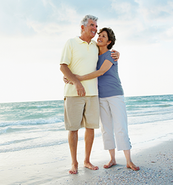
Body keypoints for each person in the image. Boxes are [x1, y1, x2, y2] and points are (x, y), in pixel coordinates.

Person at [60, 15, 120, 174]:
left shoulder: (95, 45)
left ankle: (86, 160)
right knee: (73, 128)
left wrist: (117, 54)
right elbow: (63, 66)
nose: (95, 28)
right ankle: (74, 163)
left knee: (90, 127)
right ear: (83, 27)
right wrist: (76, 82)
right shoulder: (71, 43)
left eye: (96, 26)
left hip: (93, 93)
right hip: (73, 93)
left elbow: (107, 54)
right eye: (92, 25)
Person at [75, 27, 140, 171]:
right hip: (101, 96)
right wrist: (71, 76)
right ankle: (112, 159)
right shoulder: (94, 56)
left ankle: (129, 160)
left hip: (115, 94)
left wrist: (77, 78)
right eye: (99, 35)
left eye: (103, 36)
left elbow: (101, 72)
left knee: (120, 127)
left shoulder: (112, 55)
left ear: (109, 41)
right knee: (106, 129)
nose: (99, 37)